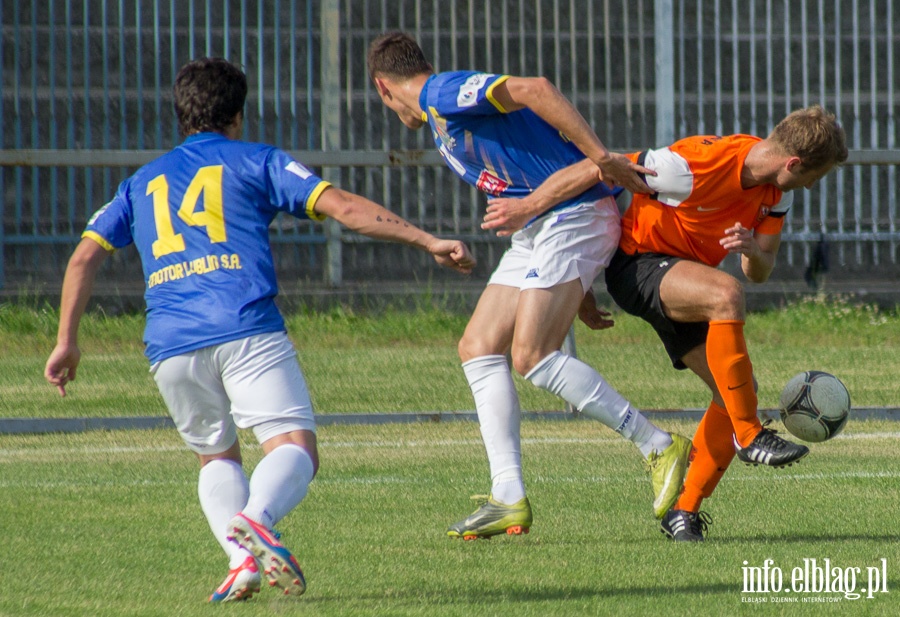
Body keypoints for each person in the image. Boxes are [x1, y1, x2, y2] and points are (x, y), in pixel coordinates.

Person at [44, 57, 475, 602]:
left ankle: (242, 562)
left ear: (181, 114)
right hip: (244, 325)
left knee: (216, 455)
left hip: (170, 345)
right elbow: (341, 206)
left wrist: (67, 341)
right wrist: (426, 239)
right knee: (295, 448)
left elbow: (83, 257)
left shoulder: (141, 181)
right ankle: (257, 520)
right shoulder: (257, 161)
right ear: (239, 115)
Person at [366, 31, 693, 540]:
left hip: (570, 216)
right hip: (544, 226)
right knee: (477, 346)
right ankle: (508, 495)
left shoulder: (440, 94)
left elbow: (536, 88)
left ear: (382, 87)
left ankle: (657, 445)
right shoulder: (437, 114)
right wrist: (575, 284)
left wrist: (601, 157)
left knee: (532, 355)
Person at [497, 105, 848, 542]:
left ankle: (683, 512)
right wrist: (536, 217)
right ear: (792, 163)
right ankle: (749, 435)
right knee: (726, 294)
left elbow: (760, 269)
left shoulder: (779, 192)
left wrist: (751, 251)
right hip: (637, 265)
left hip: (684, 277)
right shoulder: (689, 167)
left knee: (735, 388)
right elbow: (598, 168)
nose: (812, 186)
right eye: (813, 177)